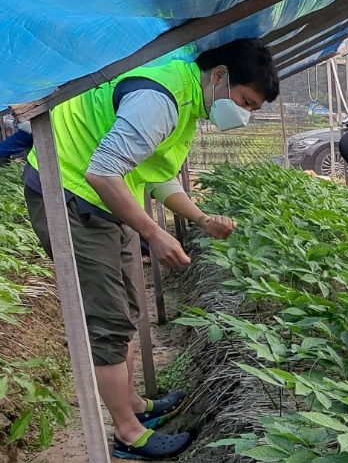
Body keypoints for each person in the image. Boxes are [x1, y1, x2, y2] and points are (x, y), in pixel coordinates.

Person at [22, 38, 279, 460]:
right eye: (246, 102)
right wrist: (154, 234)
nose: (246, 116)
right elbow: (103, 173)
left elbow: (156, 176)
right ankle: (127, 433)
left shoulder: (189, 100)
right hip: (69, 193)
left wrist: (200, 219)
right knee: (106, 322)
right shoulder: (160, 100)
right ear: (219, 75)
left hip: (106, 201)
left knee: (125, 309)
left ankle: (135, 406)